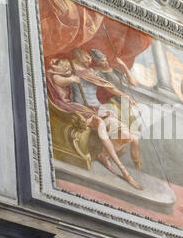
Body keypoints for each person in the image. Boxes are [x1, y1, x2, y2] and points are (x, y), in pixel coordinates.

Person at [47, 49, 142, 190]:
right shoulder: (68, 65)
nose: (89, 59)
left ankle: (103, 155)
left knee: (127, 137)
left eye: (90, 58)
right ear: (78, 54)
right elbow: (55, 79)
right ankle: (124, 172)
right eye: (86, 56)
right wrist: (71, 79)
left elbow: (109, 87)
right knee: (100, 124)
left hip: (98, 108)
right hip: (80, 108)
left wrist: (125, 96)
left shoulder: (91, 72)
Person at [91, 49, 142, 170]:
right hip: (112, 103)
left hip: (125, 105)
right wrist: (127, 97)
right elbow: (110, 88)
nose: (104, 63)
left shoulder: (116, 71)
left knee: (135, 140)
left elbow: (134, 83)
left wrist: (124, 66)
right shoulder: (97, 72)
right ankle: (105, 155)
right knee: (123, 135)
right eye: (101, 61)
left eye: (105, 60)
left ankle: (137, 164)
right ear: (97, 62)